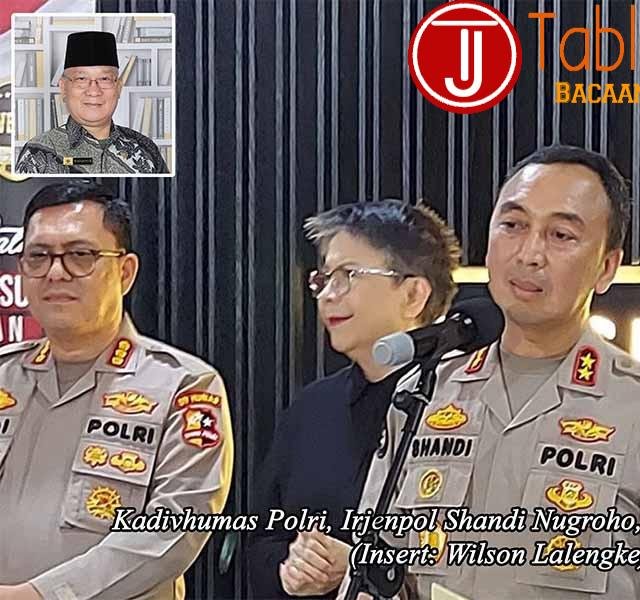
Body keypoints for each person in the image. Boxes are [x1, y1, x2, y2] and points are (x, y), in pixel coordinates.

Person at [339, 145, 640, 599]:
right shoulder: (428, 393)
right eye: (513, 225)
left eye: (561, 235)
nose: (529, 254)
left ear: (606, 266)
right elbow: (373, 565)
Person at [0, 182, 232, 599]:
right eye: (38, 256)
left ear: (125, 272)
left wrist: (39, 596)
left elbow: (174, 528)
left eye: (80, 255)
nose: (56, 272)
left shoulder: (183, 386)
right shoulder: (4, 375)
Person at [246, 200, 461, 598]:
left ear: (413, 294)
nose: (328, 295)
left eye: (348, 276)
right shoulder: (312, 408)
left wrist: (361, 567)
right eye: (324, 279)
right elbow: (260, 540)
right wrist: (292, 567)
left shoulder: (467, 403)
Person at [15, 31, 169, 175]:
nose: (94, 91)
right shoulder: (37, 152)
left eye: (104, 79)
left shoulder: (146, 149)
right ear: (63, 88)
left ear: (118, 88)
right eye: (81, 79)